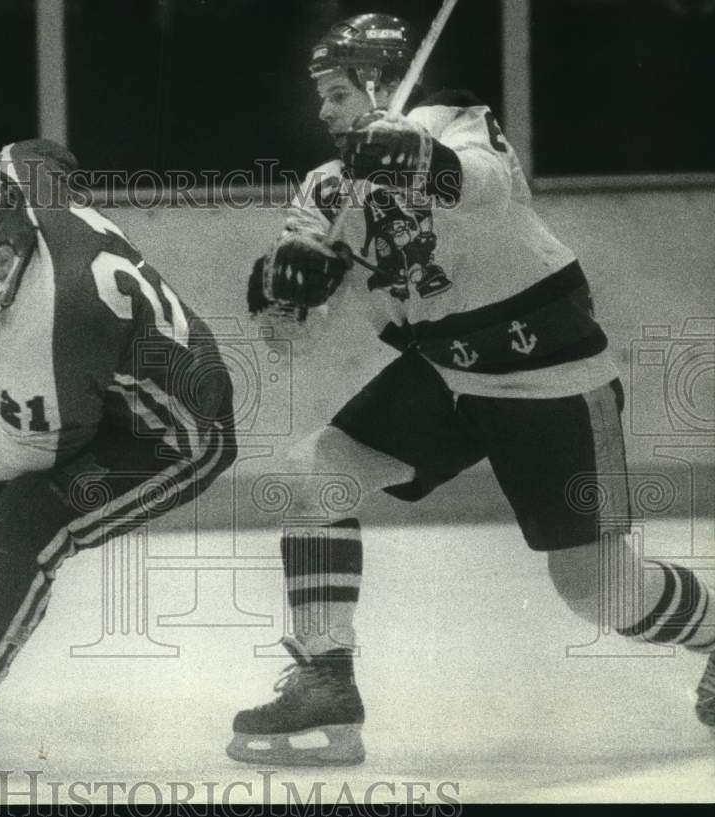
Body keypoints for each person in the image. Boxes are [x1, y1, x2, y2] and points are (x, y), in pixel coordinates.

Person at [230, 12, 714, 766]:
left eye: (335, 91)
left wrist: (415, 156)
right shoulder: (327, 191)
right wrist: (277, 291)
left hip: (548, 374)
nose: (322, 111)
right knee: (312, 474)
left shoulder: (454, 122)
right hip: (448, 374)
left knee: (599, 592)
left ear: (382, 82)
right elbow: (286, 340)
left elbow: (480, 186)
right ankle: (327, 681)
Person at [0, 139, 237, 779]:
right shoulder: (27, 196)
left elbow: (39, 444)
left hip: (170, 438)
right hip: (102, 399)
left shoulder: (50, 320)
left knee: (24, 523)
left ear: (1, 256)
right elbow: (33, 152)